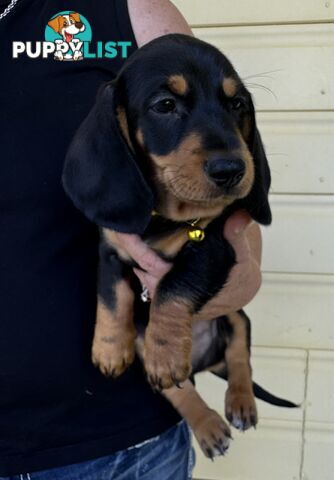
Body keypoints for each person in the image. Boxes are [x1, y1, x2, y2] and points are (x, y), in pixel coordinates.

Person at [0, 0, 262, 478]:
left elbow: (240, 268)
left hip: (114, 449)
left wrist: (180, 298)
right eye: (166, 105)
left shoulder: (125, 9)